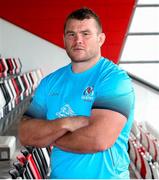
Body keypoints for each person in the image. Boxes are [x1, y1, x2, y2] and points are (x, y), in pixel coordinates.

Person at [18, 7, 135, 179]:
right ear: (64, 39)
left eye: (86, 34)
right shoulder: (50, 82)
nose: (78, 40)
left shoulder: (115, 80)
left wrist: (48, 136)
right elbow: (25, 133)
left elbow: (98, 140)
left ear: (101, 39)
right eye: (71, 34)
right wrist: (67, 123)